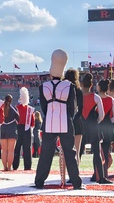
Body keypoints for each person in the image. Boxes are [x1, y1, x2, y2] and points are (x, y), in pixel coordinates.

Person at [33, 49, 83, 190]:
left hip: (49, 121)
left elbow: (44, 107)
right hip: (65, 121)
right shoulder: (69, 86)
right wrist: (68, 118)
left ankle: (39, 181)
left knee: (45, 153)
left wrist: (51, 114)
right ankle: (76, 182)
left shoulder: (43, 86)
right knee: (70, 152)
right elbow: (72, 108)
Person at [13, 87, 34, 170]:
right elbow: (32, 122)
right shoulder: (30, 109)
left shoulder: (16, 108)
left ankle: (15, 166)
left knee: (17, 148)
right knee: (27, 148)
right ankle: (27, 166)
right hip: (27, 128)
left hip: (18, 128)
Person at [0, 93, 18, 171]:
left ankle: (4, 167)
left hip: (3, 129)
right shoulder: (14, 108)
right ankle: (9, 167)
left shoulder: (1, 107)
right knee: (11, 150)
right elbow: (18, 119)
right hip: (12, 129)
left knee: (4, 150)